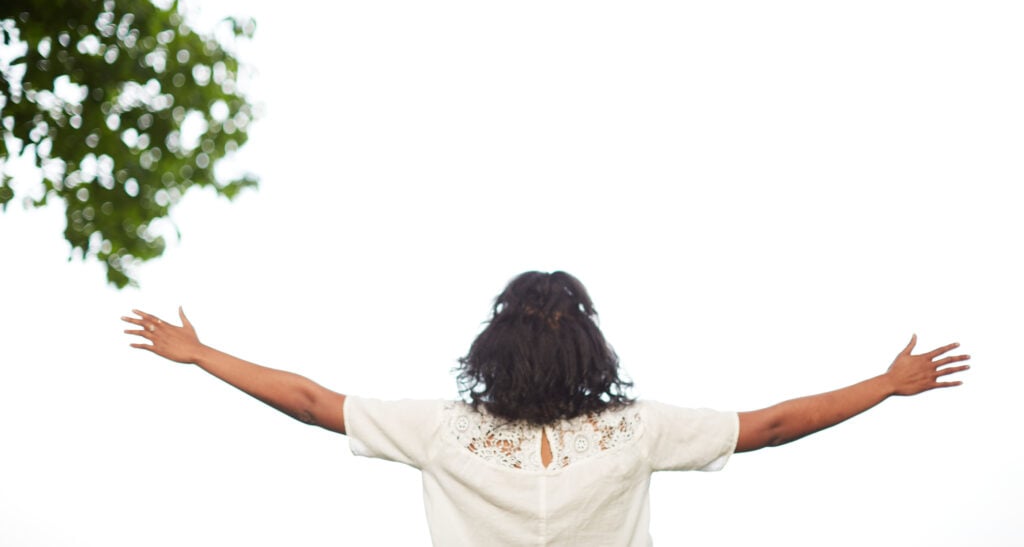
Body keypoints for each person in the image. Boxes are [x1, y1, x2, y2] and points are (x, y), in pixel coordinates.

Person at [122, 270, 969, 546]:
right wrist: (883, 384)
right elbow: (774, 426)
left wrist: (203, 355)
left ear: (493, 348)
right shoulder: (636, 429)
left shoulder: (444, 430)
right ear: (591, 350)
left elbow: (312, 404)